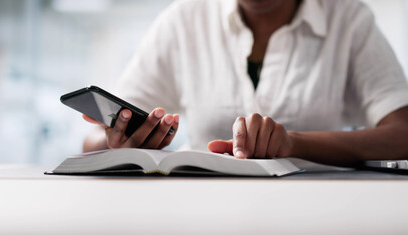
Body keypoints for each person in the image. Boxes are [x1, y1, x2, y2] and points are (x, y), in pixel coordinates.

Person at [83, 0, 408, 167]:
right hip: (201, 215)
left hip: (315, 215)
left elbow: (403, 132)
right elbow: (94, 138)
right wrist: (114, 141)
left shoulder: (348, 18)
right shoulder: (184, 18)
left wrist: (295, 143)